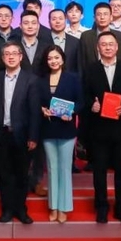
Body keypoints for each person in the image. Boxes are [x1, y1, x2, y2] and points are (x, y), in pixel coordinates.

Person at [84, 31, 121, 224]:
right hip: (98, 129)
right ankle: (101, 207)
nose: (107, 47)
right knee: (99, 171)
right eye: (103, 44)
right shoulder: (90, 69)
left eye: (110, 44)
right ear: (97, 48)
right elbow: (84, 94)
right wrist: (91, 104)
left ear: (116, 47)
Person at [0, 41, 40, 225]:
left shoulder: (31, 79)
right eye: (7, 54)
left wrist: (33, 136)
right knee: (4, 175)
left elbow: (35, 111)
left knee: (22, 174)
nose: (10, 57)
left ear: (20, 56)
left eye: (14, 53)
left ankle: (21, 209)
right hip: (1, 133)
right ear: (3, 58)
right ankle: (7, 209)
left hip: (23, 135)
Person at [39, 46, 81, 223]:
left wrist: (71, 112)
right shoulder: (41, 79)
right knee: (52, 168)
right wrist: (42, 109)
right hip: (48, 129)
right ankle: (54, 206)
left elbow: (81, 102)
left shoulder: (73, 78)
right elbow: (37, 101)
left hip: (66, 129)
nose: (53, 61)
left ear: (62, 59)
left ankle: (64, 207)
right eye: (50, 58)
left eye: (56, 58)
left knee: (64, 168)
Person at [79, 2, 121, 71]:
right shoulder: (86, 36)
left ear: (111, 17)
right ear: (94, 18)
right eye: (99, 14)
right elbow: (81, 62)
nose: (102, 17)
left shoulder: (120, 36)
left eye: (105, 14)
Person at [47, 8, 80, 73]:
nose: (57, 21)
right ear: (49, 22)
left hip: (70, 78)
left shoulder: (76, 42)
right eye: (54, 19)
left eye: (61, 18)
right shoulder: (42, 40)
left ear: (65, 20)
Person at [17, 10, 49, 76]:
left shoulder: (47, 47)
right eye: (26, 23)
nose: (30, 26)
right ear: (20, 25)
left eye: (33, 23)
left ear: (38, 25)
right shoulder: (13, 46)